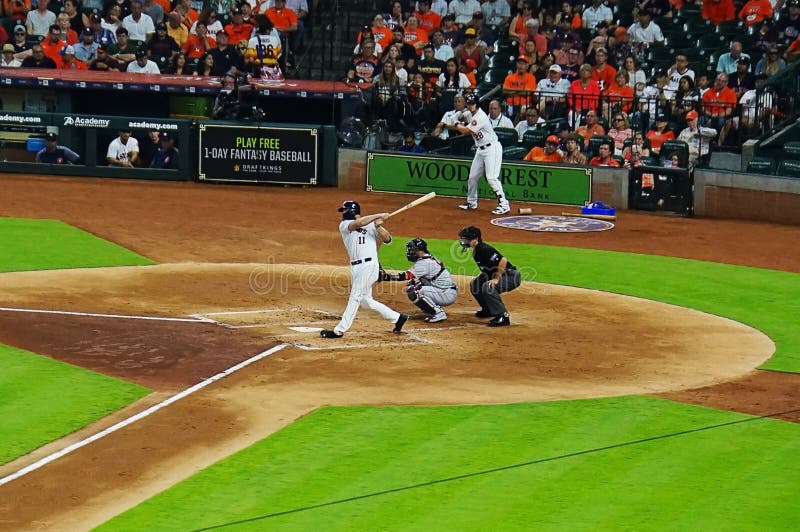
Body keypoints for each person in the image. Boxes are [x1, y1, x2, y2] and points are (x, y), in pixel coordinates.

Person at [319, 200, 408, 339]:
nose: (343, 213)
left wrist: (378, 227)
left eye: (345, 210)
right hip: (356, 267)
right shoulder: (344, 225)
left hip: (369, 266)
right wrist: (379, 215)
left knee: (355, 296)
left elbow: (388, 239)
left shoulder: (372, 225)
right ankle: (398, 318)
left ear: (353, 211)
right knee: (366, 301)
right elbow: (359, 223)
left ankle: (339, 330)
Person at [452, 93, 511, 215]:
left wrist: (455, 122)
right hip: (480, 149)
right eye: (469, 104)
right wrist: (459, 115)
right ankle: (471, 202)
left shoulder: (481, 117)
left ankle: (504, 204)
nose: (471, 106)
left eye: (473, 104)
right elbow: (464, 116)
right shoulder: (469, 113)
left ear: (477, 104)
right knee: (473, 176)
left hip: (492, 148)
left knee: (491, 178)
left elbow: (465, 131)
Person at [378, 237, 457, 322]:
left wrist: (386, 277)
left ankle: (437, 313)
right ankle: (431, 306)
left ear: (420, 250)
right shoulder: (427, 258)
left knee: (413, 290)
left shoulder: (424, 263)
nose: (410, 252)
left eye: (412, 250)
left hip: (446, 293)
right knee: (413, 282)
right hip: (444, 290)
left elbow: (405, 276)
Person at [457, 225, 520, 327]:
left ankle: (503, 316)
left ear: (476, 239)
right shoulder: (477, 249)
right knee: (476, 284)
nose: (465, 241)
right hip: (501, 274)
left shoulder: (484, 249)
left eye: (467, 239)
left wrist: (496, 279)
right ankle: (488, 310)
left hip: (510, 276)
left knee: (488, 287)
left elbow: (502, 261)